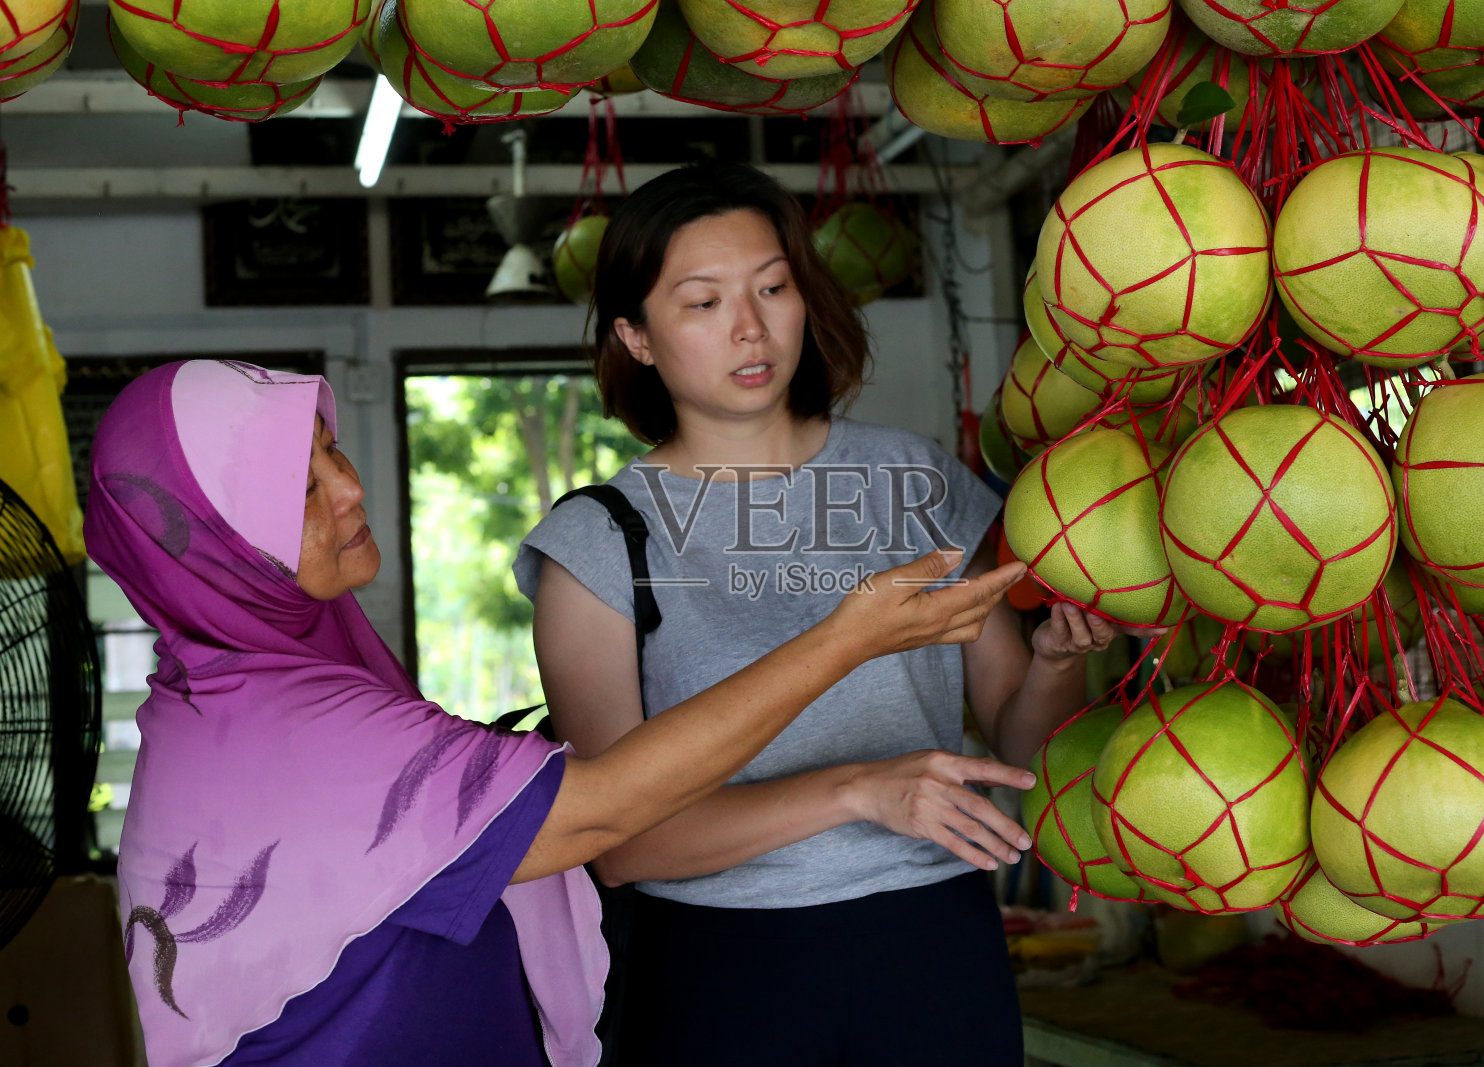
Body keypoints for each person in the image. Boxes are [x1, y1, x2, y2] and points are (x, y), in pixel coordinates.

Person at [84, 358, 1024, 1067]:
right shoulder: (285, 726)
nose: (349, 486)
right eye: (298, 488)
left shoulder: (217, 682)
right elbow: (605, 810)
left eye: (330, 449)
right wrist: (845, 639)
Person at [516, 161, 1131, 1067]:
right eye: (702, 302)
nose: (751, 326)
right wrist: (855, 789)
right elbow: (623, 841)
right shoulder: (601, 542)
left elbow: (1018, 747)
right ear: (636, 337)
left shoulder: (913, 482)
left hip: (936, 944)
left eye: (774, 286)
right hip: (723, 969)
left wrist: (1052, 659)